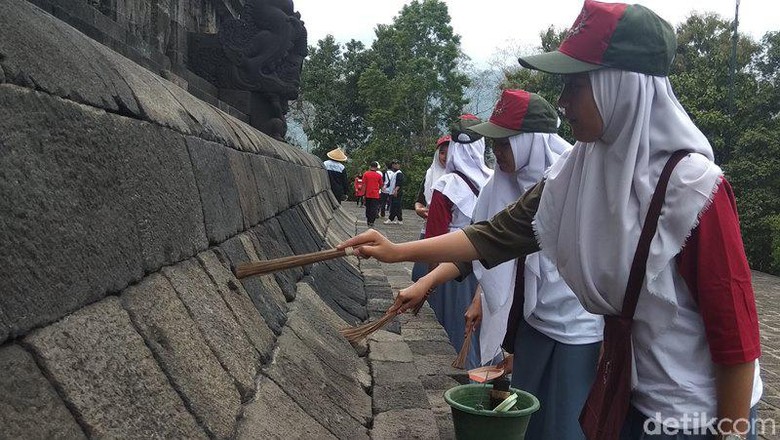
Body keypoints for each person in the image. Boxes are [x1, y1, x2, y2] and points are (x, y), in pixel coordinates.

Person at [339, 2, 762, 439]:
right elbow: (496, 234)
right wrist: (396, 252)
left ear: (620, 85)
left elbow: (736, 336)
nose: (563, 102)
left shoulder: (693, 188)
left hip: (694, 414)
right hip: (626, 395)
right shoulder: (576, 173)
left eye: (575, 85)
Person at [398, 89, 604, 440]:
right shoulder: (501, 185)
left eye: (506, 143)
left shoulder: (575, 180)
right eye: (494, 144)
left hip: (578, 326)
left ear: (531, 142)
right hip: (532, 322)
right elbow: (483, 244)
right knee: (527, 418)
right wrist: (425, 283)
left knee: (567, 423)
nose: (498, 153)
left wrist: (396, 253)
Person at [423, 114, 493, 371]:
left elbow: (435, 236)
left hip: (453, 261)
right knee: (483, 321)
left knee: (455, 319)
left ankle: (464, 367)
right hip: (489, 260)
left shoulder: (446, 184)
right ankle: (485, 366)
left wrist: (432, 276)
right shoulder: (493, 179)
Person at [411, 135, 451, 282]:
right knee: (422, 275)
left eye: (450, 152)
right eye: (442, 152)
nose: (445, 156)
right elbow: (419, 201)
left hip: (451, 235)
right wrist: (419, 210)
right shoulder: (431, 174)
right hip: (429, 228)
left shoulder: (460, 176)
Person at [361, 161, 383, 227]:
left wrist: (363, 194)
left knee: (368, 207)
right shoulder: (379, 175)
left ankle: (368, 220)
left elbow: (364, 184)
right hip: (375, 194)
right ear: (376, 168)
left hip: (367, 194)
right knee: (374, 208)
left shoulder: (366, 174)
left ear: (370, 166)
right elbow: (381, 185)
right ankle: (372, 221)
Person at [385, 160, 405, 225]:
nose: (395, 165)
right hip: (393, 191)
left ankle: (391, 218)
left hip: (396, 192)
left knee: (394, 206)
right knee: (397, 206)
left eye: (396, 164)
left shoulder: (399, 173)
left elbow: (399, 183)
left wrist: (396, 190)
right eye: (394, 164)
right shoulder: (395, 173)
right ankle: (399, 219)